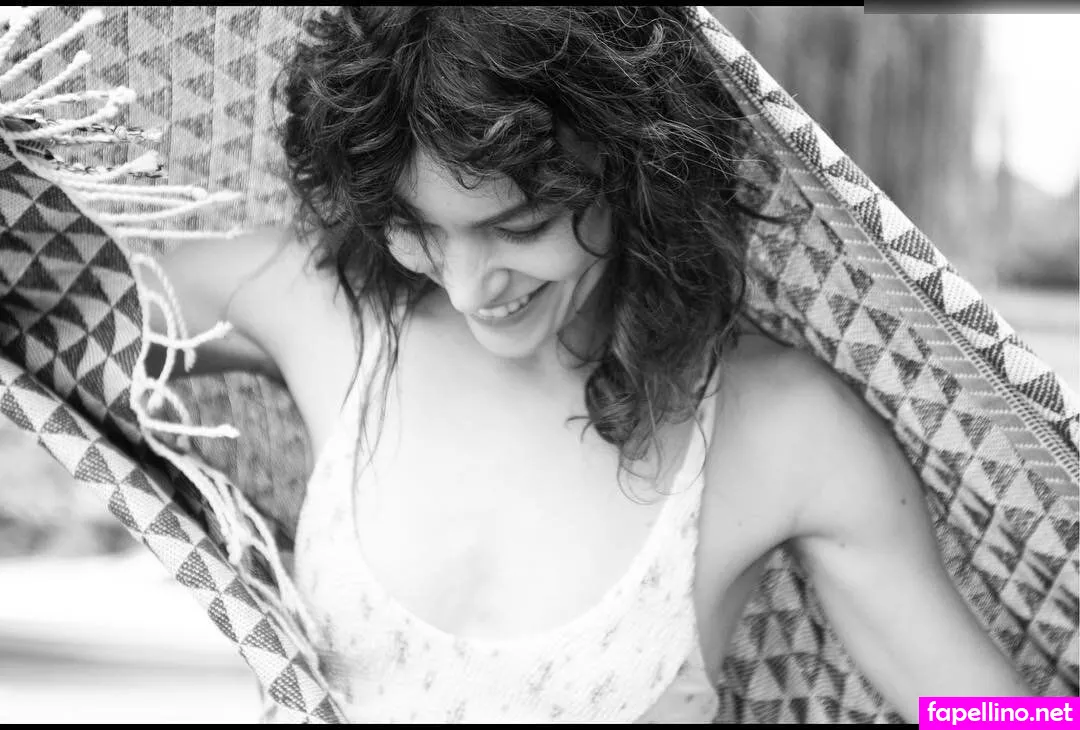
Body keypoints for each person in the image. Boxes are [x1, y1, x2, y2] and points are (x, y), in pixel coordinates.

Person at [146, 6, 1030, 723]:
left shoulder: (778, 431)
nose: (468, 287)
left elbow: (987, 714)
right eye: (415, 226)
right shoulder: (319, 307)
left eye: (520, 227)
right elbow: (78, 315)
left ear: (634, 169)